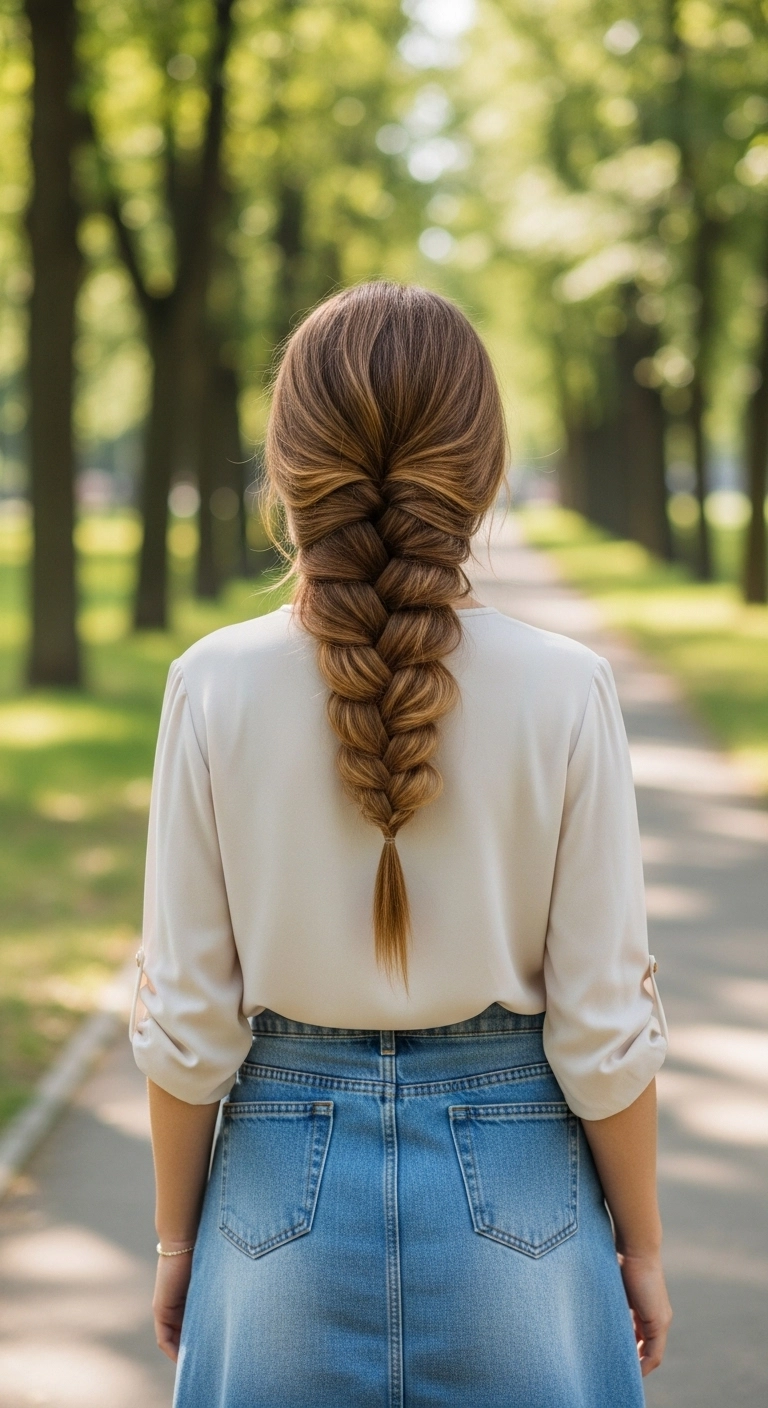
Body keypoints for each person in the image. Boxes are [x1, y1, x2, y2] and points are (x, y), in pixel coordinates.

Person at [131, 281, 672, 1407]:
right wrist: (645, 1249)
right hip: (524, 1195)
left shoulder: (210, 684)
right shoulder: (567, 688)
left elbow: (187, 1020)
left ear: (287, 466)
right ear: (485, 465)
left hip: (272, 1199)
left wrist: (178, 1243)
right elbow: (602, 1023)